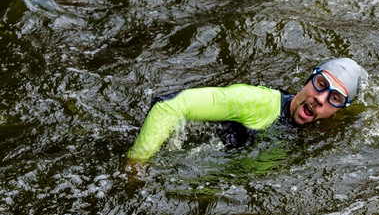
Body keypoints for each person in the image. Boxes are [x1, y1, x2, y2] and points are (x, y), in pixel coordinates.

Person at [126, 57, 366, 164]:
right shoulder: (255, 102)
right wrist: (137, 163)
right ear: (308, 80)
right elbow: (169, 105)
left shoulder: (326, 131)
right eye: (321, 85)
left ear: (339, 109)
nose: (320, 99)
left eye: (334, 97)